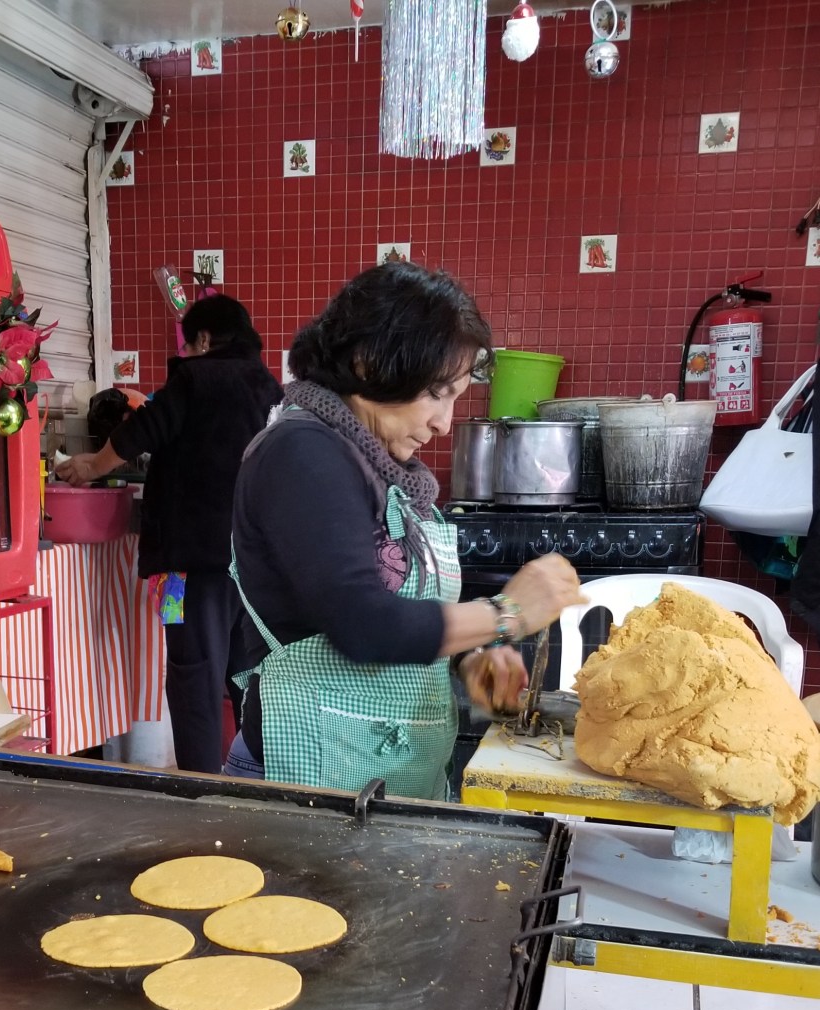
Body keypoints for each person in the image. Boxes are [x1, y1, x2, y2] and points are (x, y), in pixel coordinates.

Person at [225, 261, 583, 799]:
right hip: (305, 776)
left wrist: (468, 658)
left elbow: (400, 605)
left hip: (377, 771)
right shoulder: (303, 453)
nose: (444, 423)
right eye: (437, 392)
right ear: (370, 365)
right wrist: (504, 615)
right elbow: (363, 623)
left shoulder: (384, 466)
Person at [56, 295, 282, 773]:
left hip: (189, 566)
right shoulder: (267, 386)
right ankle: (250, 776)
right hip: (252, 568)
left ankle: (201, 791)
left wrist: (93, 466)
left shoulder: (195, 378)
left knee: (192, 674)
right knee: (243, 674)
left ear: (204, 339)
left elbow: (145, 428)